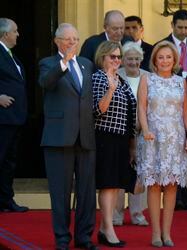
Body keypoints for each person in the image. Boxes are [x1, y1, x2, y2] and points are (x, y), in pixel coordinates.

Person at [39, 23, 98, 250]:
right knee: (61, 193)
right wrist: (64, 62)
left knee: (86, 193)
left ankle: (84, 237)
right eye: (68, 39)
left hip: (86, 137)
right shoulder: (48, 63)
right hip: (58, 138)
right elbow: (46, 83)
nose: (73, 43)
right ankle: (62, 239)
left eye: (75, 38)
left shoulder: (86, 65)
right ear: (57, 41)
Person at [137, 40, 187, 247]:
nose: (164, 61)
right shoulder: (147, 80)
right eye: (160, 57)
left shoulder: (181, 82)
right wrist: (145, 130)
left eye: (168, 57)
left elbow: (185, 111)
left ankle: (167, 234)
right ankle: (155, 233)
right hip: (153, 138)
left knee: (171, 186)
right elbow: (141, 108)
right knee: (154, 186)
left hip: (175, 139)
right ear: (154, 60)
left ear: (174, 60)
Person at [157, 9, 187, 210]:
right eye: (180, 27)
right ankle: (175, 198)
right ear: (173, 26)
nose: (184, 31)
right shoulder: (162, 46)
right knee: (172, 149)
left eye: (186, 27)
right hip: (169, 105)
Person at [92, 41, 136, 248]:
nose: (117, 60)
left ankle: (104, 227)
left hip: (121, 138)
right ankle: (108, 228)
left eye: (119, 57)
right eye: (113, 57)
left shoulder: (123, 80)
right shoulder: (98, 78)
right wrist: (110, 90)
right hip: (105, 137)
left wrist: (132, 145)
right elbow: (98, 110)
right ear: (103, 58)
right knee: (108, 184)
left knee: (115, 185)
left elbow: (130, 113)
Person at [113, 41, 149, 227]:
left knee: (139, 173)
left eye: (136, 59)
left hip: (143, 133)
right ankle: (117, 214)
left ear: (141, 60)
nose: (133, 62)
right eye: (129, 59)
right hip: (120, 132)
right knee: (119, 172)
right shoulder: (115, 76)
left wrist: (143, 125)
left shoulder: (149, 77)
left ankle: (137, 214)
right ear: (122, 61)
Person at [0, 18, 28, 213]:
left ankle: (6, 200)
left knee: (9, 162)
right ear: (5, 34)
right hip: (2, 117)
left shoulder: (10, 55)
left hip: (14, 118)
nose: (18, 34)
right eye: (15, 31)